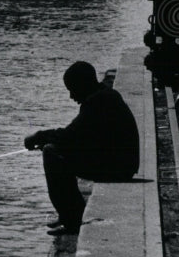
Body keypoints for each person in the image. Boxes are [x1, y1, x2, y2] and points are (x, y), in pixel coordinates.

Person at [24, 61, 140, 235]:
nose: (71, 96)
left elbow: (70, 135)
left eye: (72, 90)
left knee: (51, 153)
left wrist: (40, 136)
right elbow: (80, 136)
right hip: (121, 162)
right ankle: (68, 215)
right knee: (55, 150)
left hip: (119, 167)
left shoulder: (99, 101)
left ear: (83, 85)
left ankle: (72, 220)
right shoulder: (104, 96)